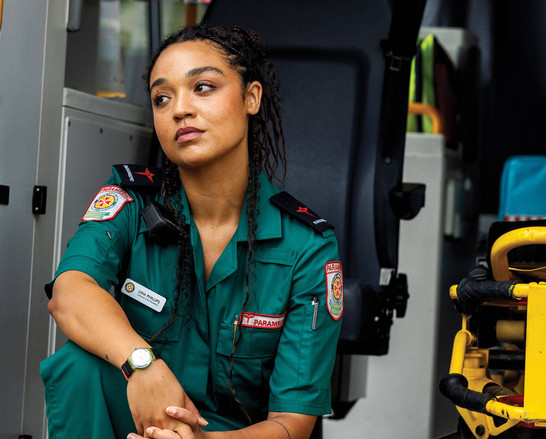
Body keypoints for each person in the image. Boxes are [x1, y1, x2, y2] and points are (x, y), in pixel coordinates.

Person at [40, 24, 343, 439]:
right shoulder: (132, 203)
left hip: (230, 436)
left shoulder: (307, 245)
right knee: (78, 364)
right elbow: (70, 292)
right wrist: (142, 363)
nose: (180, 109)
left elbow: (292, 424)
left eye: (202, 87)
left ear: (251, 97)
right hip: (138, 412)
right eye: (162, 98)